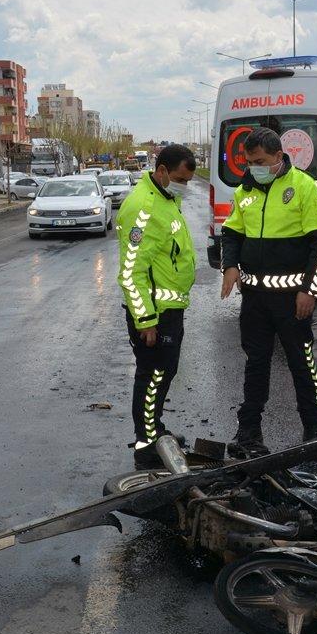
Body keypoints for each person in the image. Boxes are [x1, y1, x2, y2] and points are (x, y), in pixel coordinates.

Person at [220, 127, 317, 458]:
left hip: (291, 298)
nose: (254, 167)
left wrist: (310, 290)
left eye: (260, 161)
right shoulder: (246, 190)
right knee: (256, 363)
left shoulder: (305, 188)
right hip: (254, 297)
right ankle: (249, 431)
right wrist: (230, 266)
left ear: (279, 157)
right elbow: (231, 233)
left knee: (302, 362)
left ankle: (314, 428)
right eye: (250, 162)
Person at [116, 144, 197, 466]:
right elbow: (131, 271)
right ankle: (146, 444)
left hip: (169, 310)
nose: (184, 186)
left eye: (188, 181)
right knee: (152, 376)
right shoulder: (144, 208)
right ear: (161, 170)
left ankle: (154, 429)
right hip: (155, 315)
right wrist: (145, 318)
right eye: (180, 179)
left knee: (163, 373)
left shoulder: (166, 199)